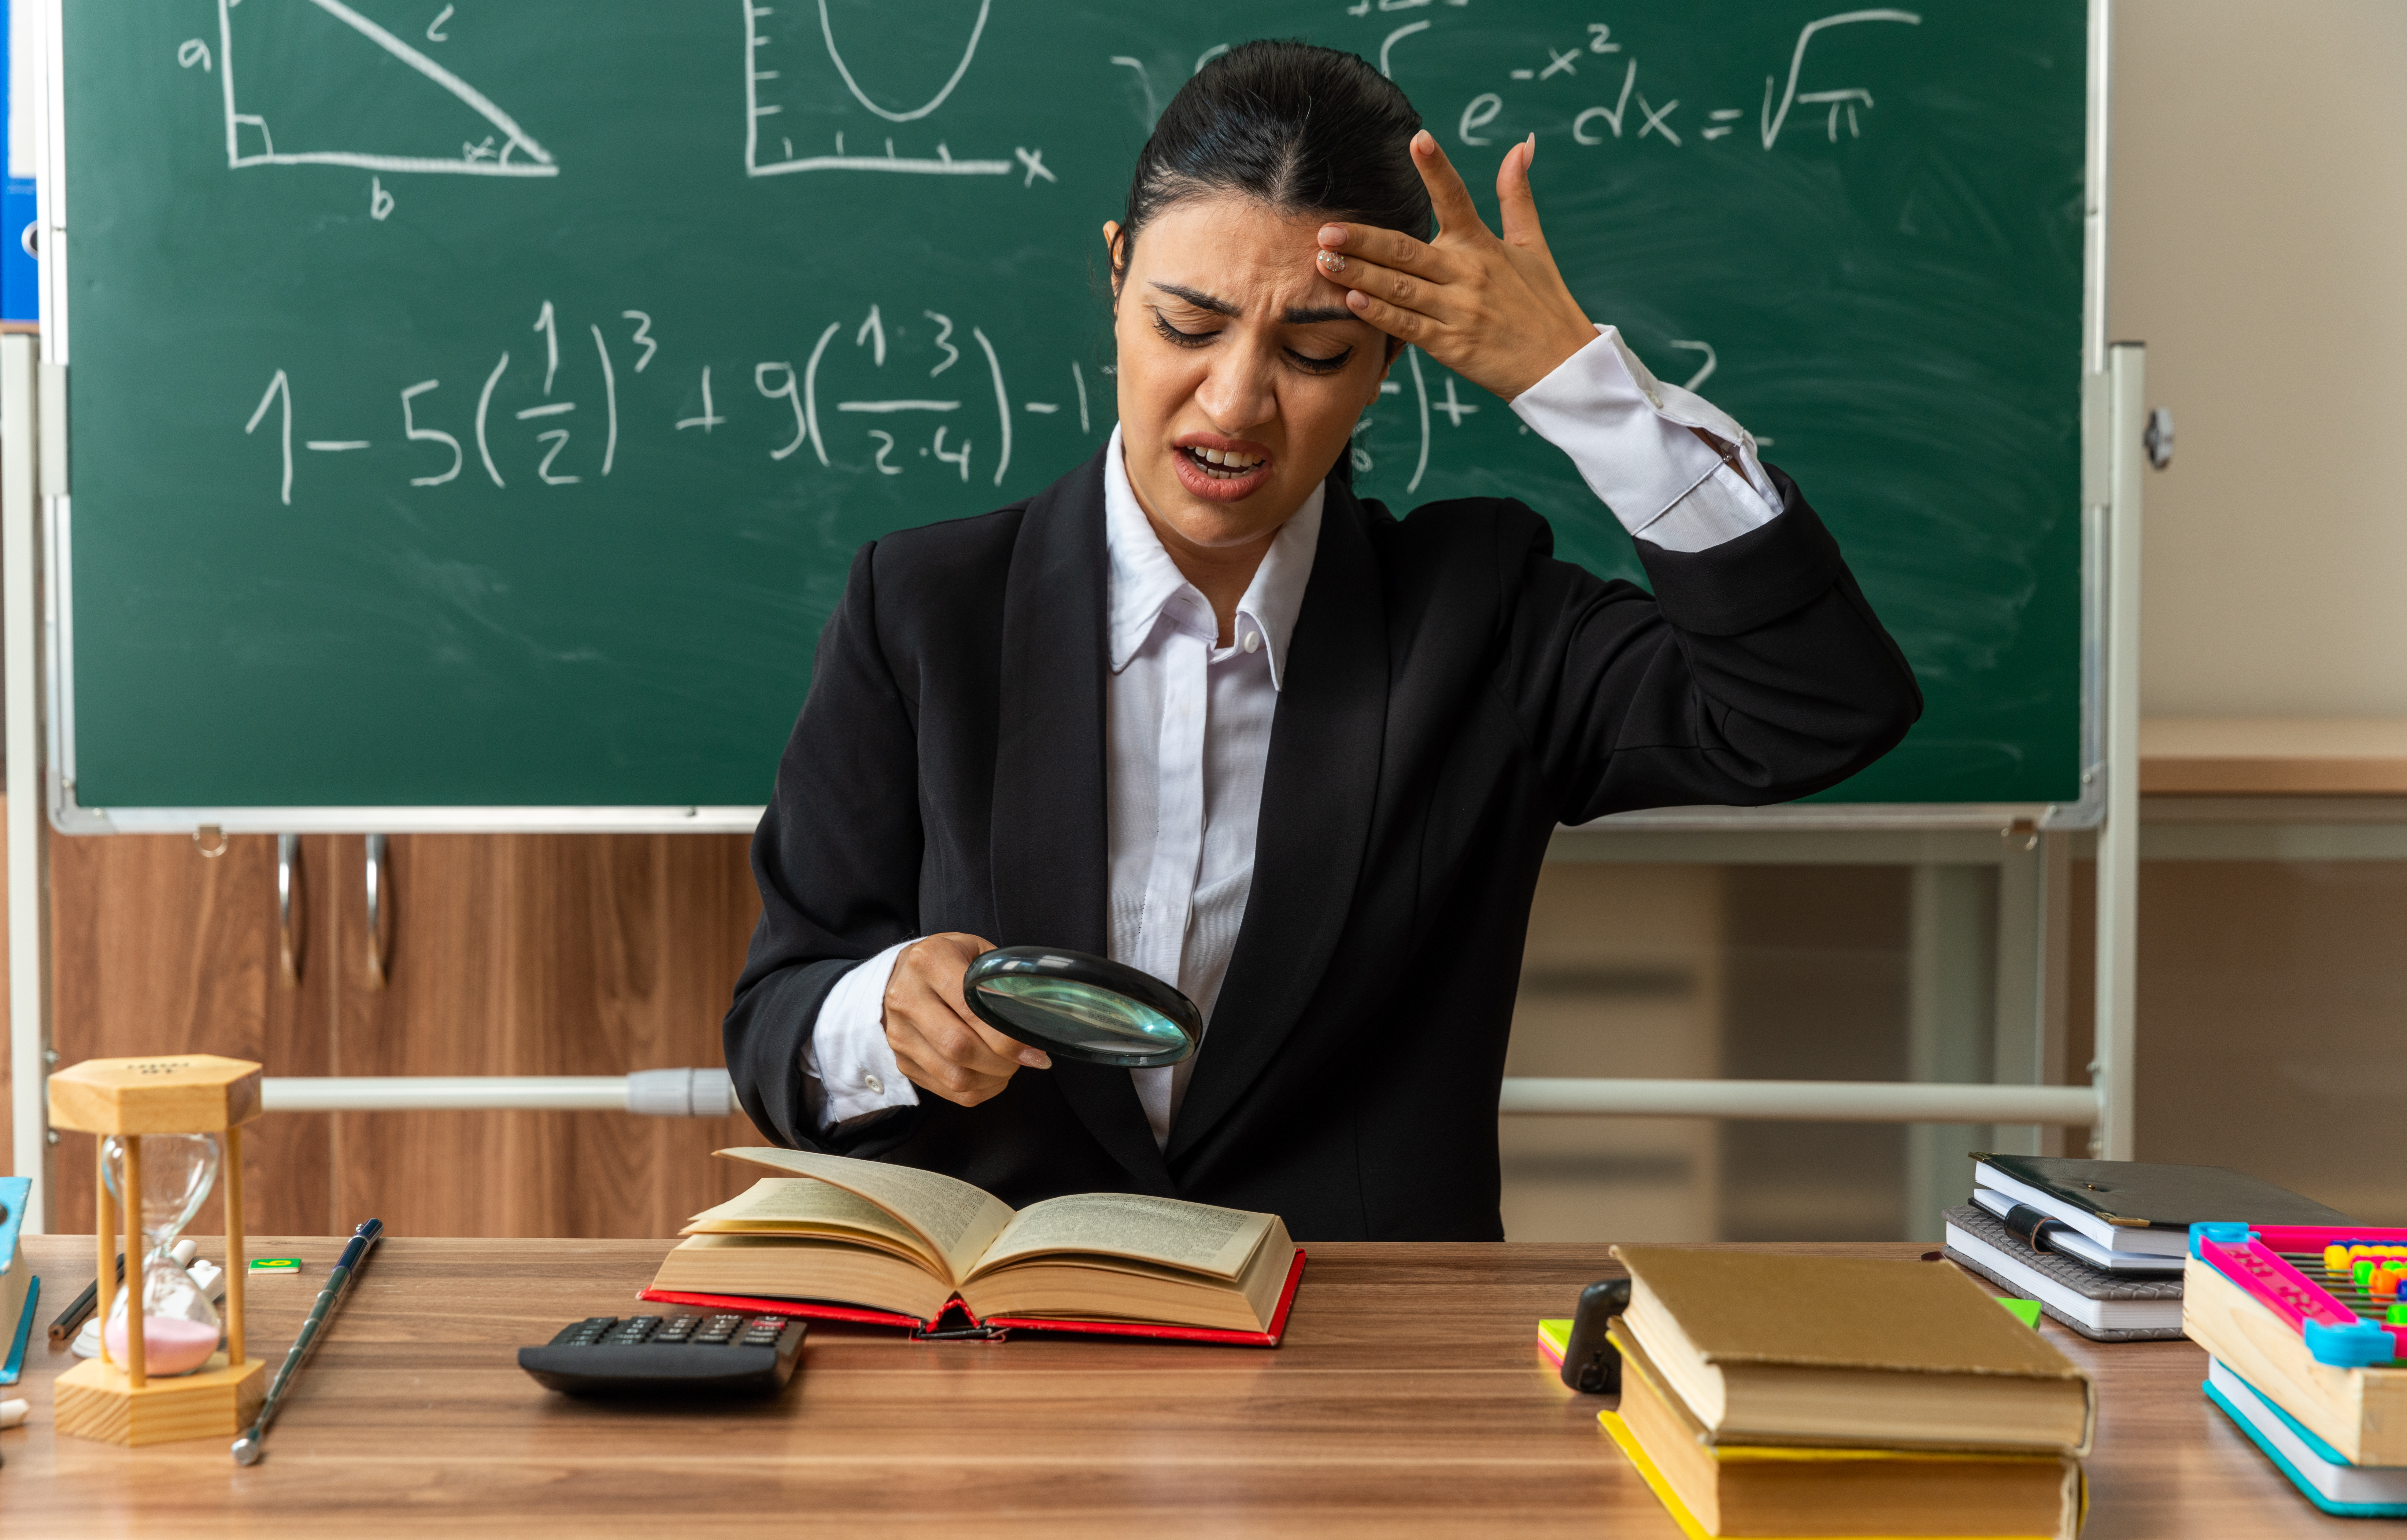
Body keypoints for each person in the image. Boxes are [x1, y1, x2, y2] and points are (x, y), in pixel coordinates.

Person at [725, 41, 1920, 1239]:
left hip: (1359, 1362)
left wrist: (1580, 390)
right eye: (1186, 326)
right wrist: (878, 1019)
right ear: (1115, 278)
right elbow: (780, 1018)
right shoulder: (924, 606)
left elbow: (1816, 710)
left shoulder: (1482, 613)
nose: (1236, 401)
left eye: (1313, 353)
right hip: (1003, 1354)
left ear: (1391, 358)